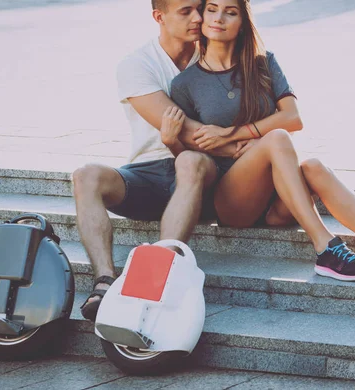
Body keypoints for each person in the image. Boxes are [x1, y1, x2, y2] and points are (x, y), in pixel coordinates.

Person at [165, 0, 355, 284]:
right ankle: (325, 247)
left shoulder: (263, 62)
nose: (219, 18)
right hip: (233, 201)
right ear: (202, 17)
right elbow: (194, 155)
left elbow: (293, 118)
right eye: (212, 9)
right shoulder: (185, 84)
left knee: (314, 166)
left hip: (279, 202)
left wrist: (231, 133)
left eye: (230, 12)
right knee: (277, 138)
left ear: (243, 22)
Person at [72, 0, 237, 321]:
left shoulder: (215, 54)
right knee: (86, 174)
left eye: (200, 9)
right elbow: (189, 132)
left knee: (190, 159)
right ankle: (104, 280)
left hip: (201, 174)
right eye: (186, 11)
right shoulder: (137, 64)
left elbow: (193, 143)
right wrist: (233, 141)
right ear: (159, 17)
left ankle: (155, 276)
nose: (199, 18)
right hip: (146, 174)